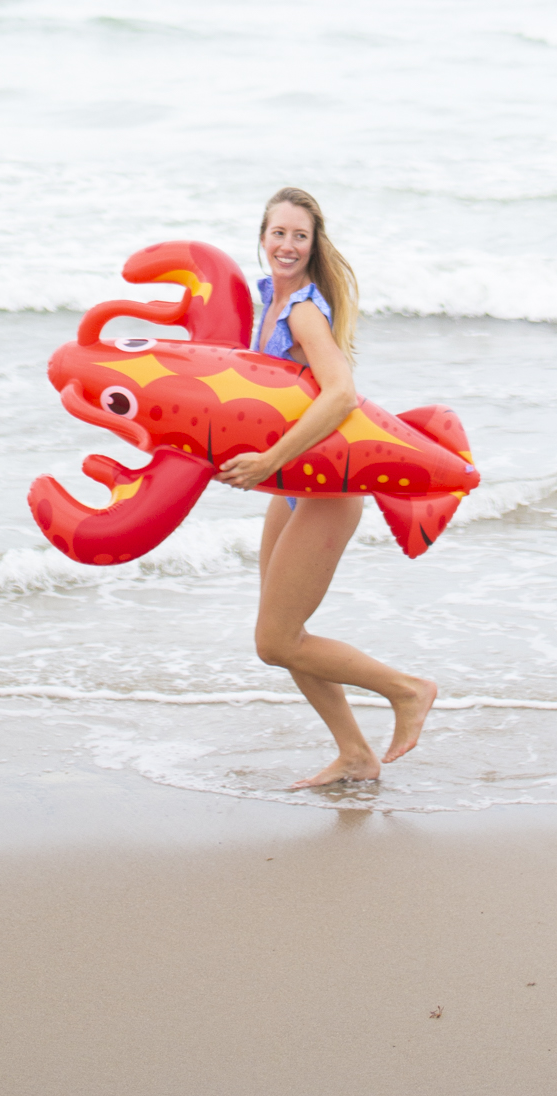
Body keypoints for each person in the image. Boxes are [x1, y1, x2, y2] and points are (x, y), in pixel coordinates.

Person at [213, 185, 438, 785]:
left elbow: (340, 393)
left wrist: (267, 461)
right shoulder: (265, 298)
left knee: (273, 640)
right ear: (261, 237)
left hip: (326, 492)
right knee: (285, 634)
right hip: (292, 487)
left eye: (299, 236)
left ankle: (408, 690)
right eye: (278, 233)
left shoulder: (303, 310)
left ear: (314, 247)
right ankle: (357, 756)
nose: (287, 245)